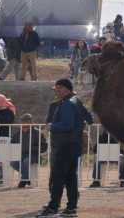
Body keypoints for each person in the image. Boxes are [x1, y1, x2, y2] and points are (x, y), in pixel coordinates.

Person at [38, 78, 92, 216]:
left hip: (64, 146)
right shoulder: (76, 101)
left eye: (57, 88)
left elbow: (66, 125)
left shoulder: (67, 104)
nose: (56, 91)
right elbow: (89, 118)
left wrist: (51, 126)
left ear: (64, 89)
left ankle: (53, 207)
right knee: (70, 178)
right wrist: (80, 124)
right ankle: (71, 208)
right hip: (73, 145)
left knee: (58, 178)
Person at [10, 113, 47, 188]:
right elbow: (12, 144)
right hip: (21, 154)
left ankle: (23, 181)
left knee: (26, 161)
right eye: (23, 121)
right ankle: (27, 178)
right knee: (13, 163)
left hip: (34, 155)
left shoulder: (37, 133)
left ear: (31, 122)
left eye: (27, 121)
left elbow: (44, 147)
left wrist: (32, 148)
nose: (25, 123)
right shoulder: (17, 133)